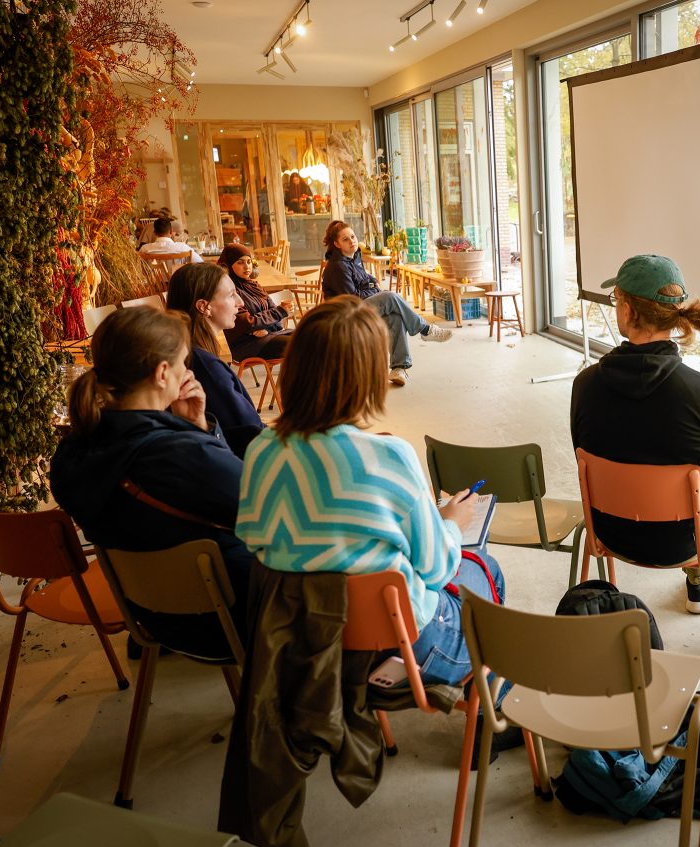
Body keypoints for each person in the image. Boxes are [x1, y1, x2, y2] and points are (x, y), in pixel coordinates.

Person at [236, 296, 504, 690]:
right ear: (367, 375)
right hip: (395, 643)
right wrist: (449, 523)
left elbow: (253, 540)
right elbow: (436, 568)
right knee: (484, 567)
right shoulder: (388, 456)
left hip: (302, 644)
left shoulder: (261, 450)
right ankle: (492, 715)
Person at [49, 306, 252, 657]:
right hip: (229, 617)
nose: (187, 372)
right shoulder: (177, 453)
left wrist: (196, 426)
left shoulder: (75, 449)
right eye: (183, 363)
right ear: (162, 374)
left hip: (151, 618)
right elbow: (263, 509)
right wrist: (198, 437)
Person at [570, 254, 700, 614]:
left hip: (610, 533)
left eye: (616, 300)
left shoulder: (585, 386)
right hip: (683, 543)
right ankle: (698, 580)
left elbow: (583, 462)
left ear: (628, 312)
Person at [321, 219, 451, 387]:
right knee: (390, 296)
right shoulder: (338, 266)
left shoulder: (354, 257)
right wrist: (372, 288)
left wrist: (371, 283)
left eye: (352, 236)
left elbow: (368, 280)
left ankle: (398, 368)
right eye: (345, 239)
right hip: (346, 315)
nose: (352, 241)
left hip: (359, 308)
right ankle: (425, 329)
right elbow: (353, 297)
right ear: (336, 244)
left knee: (396, 317)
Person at [166, 262, 265, 458]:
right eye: (231, 295)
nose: (240, 302)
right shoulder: (206, 366)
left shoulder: (183, 351)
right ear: (204, 307)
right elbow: (252, 435)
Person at [217, 243, 293, 362]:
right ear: (227, 265)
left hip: (268, 335)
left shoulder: (254, 285)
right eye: (240, 262)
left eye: (249, 262)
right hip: (245, 344)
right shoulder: (227, 289)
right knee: (301, 344)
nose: (247, 267)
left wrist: (267, 329)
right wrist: (280, 311)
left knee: (310, 335)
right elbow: (247, 323)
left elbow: (277, 319)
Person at [139, 216, 204, 262]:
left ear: (155, 233)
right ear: (171, 231)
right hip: (178, 281)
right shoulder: (183, 248)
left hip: (154, 281)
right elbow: (200, 262)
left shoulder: (144, 249)